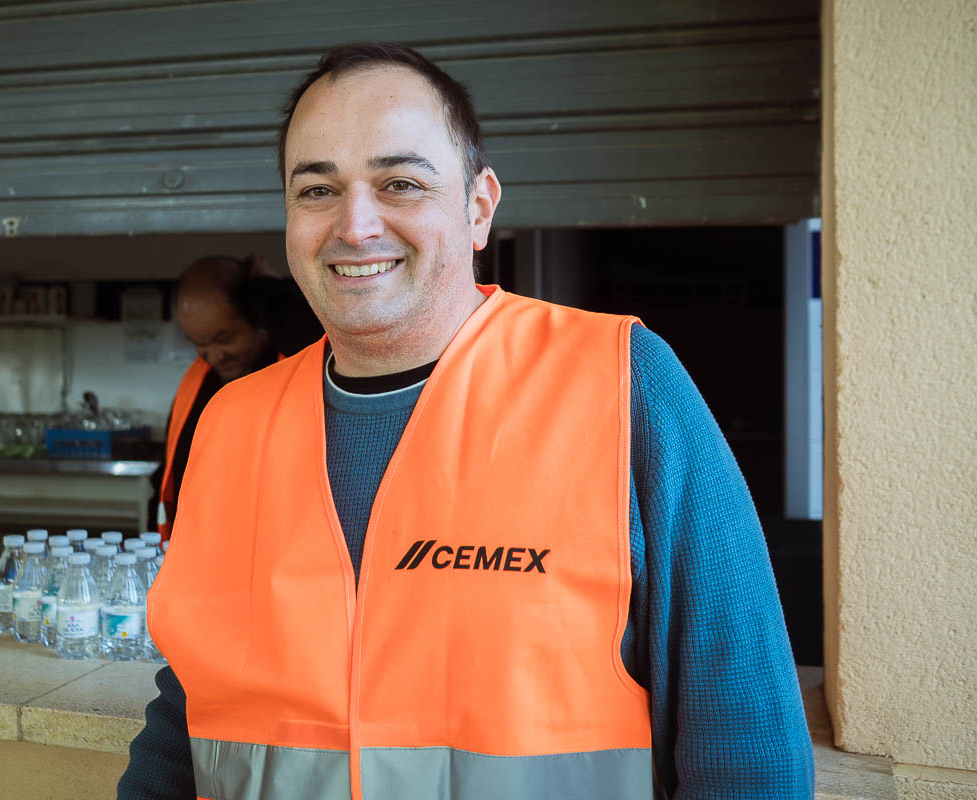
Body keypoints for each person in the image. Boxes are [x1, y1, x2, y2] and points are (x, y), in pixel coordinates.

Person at [123, 43, 814, 799]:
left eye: (400, 183)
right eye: (317, 190)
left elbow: (744, 740)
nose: (356, 225)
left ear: (478, 207)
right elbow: (191, 702)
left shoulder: (622, 384)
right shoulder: (233, 424)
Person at [154, 255, 321, 539]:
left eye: (224, 339)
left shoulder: (302, 370)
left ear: (259, 322)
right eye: (198, 343)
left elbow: (316, 335)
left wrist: (269, 292)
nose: (213, 356)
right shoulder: (198, 383)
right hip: (200, 549)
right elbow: (169, 475)